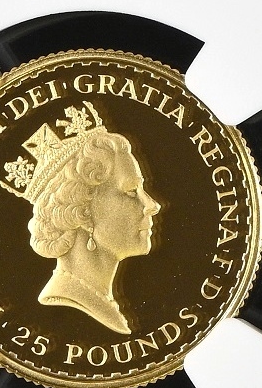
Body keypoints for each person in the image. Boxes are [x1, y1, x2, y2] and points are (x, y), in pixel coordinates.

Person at [26, 126, 161, 334]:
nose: (152, 205)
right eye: (131, 191)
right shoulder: (67, 308)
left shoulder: (101, 301)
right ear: (83, 212)